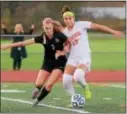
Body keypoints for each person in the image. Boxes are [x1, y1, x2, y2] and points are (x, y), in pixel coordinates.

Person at [61, 5, 124, 101]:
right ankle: (75, 99)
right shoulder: (64, 32)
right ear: (64, 20)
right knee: (65, 81)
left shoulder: (81, 24)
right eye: (66, 19)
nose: (68, 20)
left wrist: (113, 31)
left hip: (84, 57)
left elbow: (98, 26)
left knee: (78, 76)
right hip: (73, 58)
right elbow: (67, 46)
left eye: (70, 18)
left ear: (73, 18)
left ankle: (86, 87)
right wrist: (64, 49)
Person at [1, 17, 68, 107]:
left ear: (52, 26)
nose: (47, 30)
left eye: (49, 28)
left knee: (49, 84)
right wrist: (7, 46)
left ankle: (38, 100)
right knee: (39, 84)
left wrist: (63, 52)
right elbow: (23, 43)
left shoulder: (60, 35)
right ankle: (37, 89)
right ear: (43, 27)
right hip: (48, 62)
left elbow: (69, 43)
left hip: (60, 62)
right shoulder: (42, 37)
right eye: (45, 28)